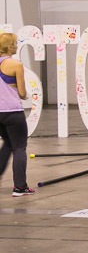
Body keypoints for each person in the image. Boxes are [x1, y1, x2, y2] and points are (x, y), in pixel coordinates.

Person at [0, 33, 33, 197]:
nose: (17, 45)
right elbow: (21, 92)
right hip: (13, 112)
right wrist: (24, 95)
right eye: (15, 43)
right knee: (19, 148)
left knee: (8, 143)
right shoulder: (16, 65)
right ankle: (20, 187)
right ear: (10, 46)